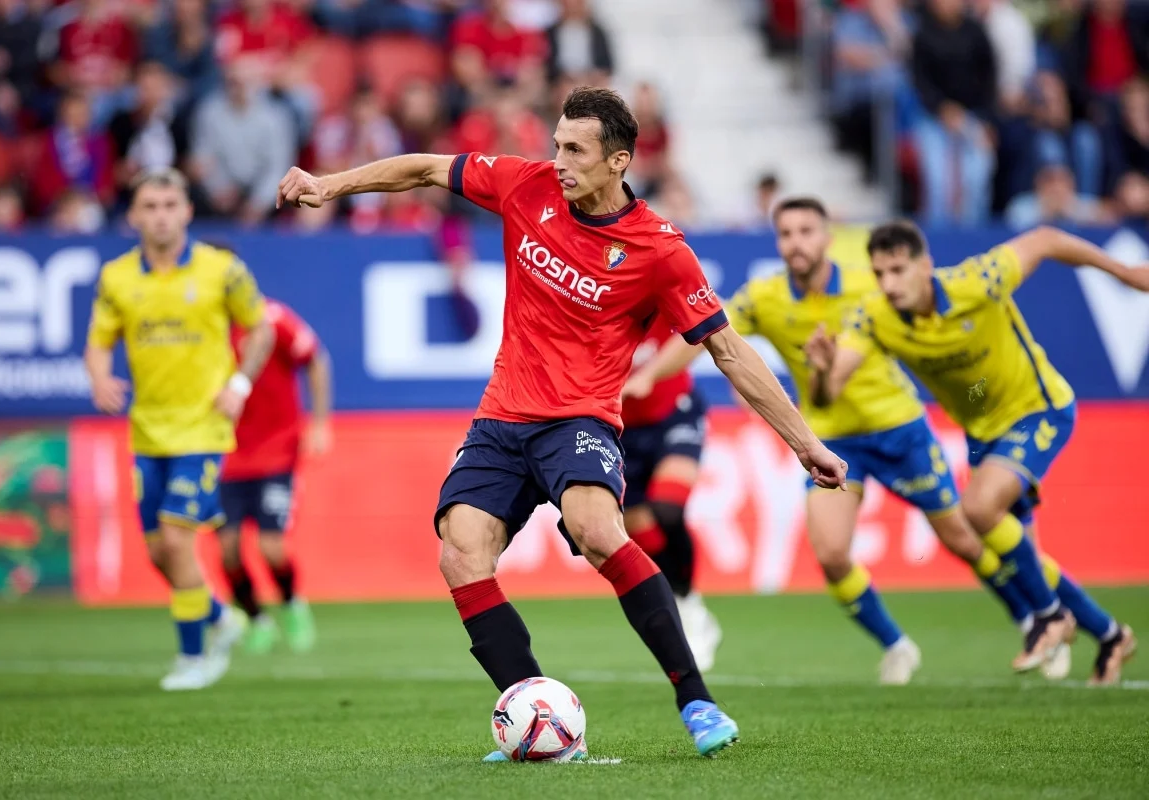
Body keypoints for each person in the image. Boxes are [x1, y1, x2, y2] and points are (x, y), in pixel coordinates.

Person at [277, 86, 848, 760]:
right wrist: (328, 184)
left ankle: (695, 698)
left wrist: (804, 442)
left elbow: (728, 349)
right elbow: (428, 168)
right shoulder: (527, 186)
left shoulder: (661, 251)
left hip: (580, 419)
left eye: (576, 150)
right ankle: (539, 717)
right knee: (460, 552)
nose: (560, 160)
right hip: (501, 417)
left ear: (619, 161)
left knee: (597, 529)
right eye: (557, 144)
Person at [626, 197, 1052, 684]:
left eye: (806, 231)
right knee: (830, 553)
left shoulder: (872, 282)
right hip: (832, 439)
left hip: (898, 427)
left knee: (961, 536)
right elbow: (704, 334)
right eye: (786, 233)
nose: (796, 243)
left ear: (827, 237)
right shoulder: (763, 296)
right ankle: (896, 645)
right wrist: (650, 376)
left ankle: (1031, 617)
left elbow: (929, 319)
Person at [822, 221, 1147, 686]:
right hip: (983, 434)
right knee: (1028, 560)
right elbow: (834, 383)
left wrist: (1122, 272)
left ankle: (1050, 617)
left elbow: (1047, 239)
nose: (889, 284)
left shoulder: (979, 280)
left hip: (1038, 410)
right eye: (880, 273)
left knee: (977, 508)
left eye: (898, 270)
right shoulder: (873, 316)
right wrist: (822, 370)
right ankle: (1111, 635)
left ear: (925, 265)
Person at [84, 168, 276, 691]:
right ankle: (221, 616)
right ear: (133, 215)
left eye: (171, 204)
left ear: (188, 211)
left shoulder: (223, 270)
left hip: (203, 429)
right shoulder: (117, 278)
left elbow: (260, 329)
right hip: (148, 431)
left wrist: (239, 383)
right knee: (156, 553)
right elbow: (99, 341)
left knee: (175, 540)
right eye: (150, 206)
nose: (161, 215)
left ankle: (195, 657)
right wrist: (100, 378)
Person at [218, 296, 333, 655]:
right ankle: (256, 619)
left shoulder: (273, 318)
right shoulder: (202, 327)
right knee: (228, 549)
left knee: (271, 546)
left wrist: (318, 422)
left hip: (276, 450)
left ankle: (291, 604)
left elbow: (315, 359)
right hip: (224, 454)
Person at [620, 317, 721, 672]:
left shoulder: (657, 275)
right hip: (619, 427)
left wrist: (650, 374)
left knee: (667, 508)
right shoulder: (586, 293)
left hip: (673, 411)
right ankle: (681, 599)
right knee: (637, 526)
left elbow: (696, 336)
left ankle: (690, 604)